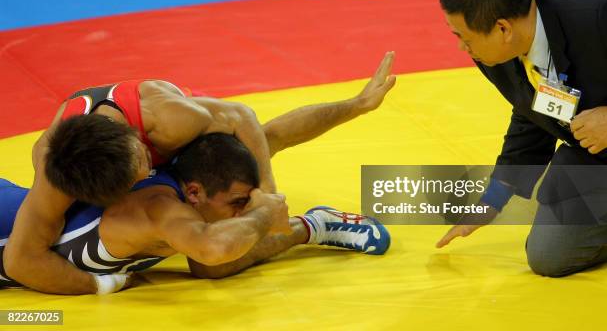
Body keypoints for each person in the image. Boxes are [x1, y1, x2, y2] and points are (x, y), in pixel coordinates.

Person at [3, 52, 396, 293]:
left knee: (244, 154)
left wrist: (268, 196)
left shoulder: (169, 121)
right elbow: (22, 259)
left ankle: (306, 214)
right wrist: (102, 285)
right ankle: (312, 226)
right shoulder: (55, 170)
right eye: (133, 180)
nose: (145, 174)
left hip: (169, 121)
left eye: (143, 163)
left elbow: (245, 118)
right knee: (211, 262)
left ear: (138, 143)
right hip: (103, 171)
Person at [0, 133, 391, 294]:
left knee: (220, 258)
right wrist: (104, 285)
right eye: (238, 202)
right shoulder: (156, 209)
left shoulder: (192, 181)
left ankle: (313, 225)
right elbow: (211, 249)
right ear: (194, 192)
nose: (243, 210)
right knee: (219, 250)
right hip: (12, 225)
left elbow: (271, 134)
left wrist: (357, 104)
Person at [435, 0, 607, 277]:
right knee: (550, 255)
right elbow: (532, 112)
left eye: (464, 37)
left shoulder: (599, 12)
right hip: (600, 154)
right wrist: (493, 198)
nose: (462, 47)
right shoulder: (496, 50)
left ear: (502, 28)